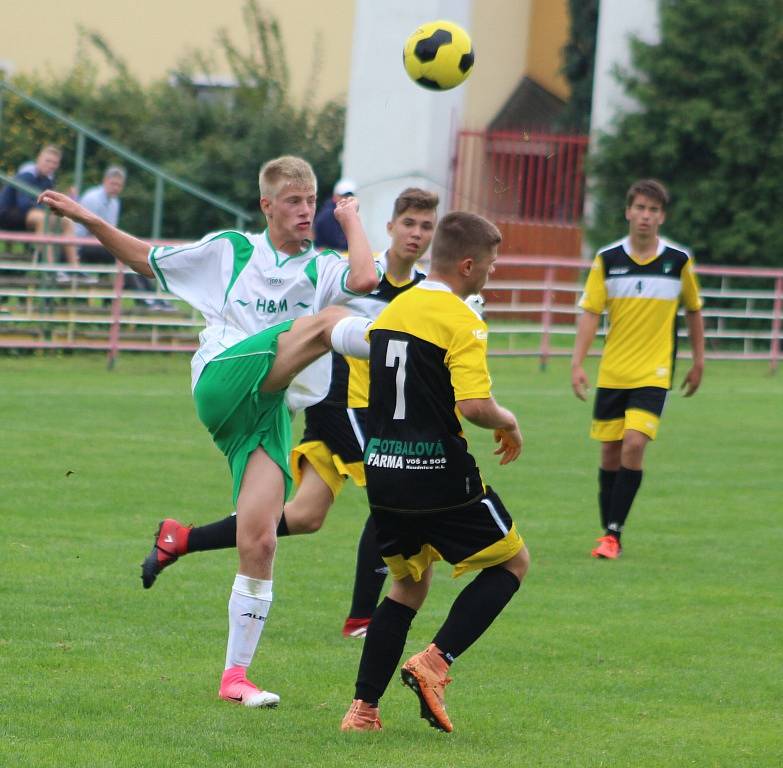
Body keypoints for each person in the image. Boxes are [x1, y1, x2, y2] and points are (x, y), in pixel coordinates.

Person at [38, 155, 379, 709]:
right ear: (267, 206)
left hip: (266, 409)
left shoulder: (322, 266)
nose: (303, 210)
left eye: (309, 200)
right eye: (292, 201)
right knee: (321, 326)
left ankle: (234, 677)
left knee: (261, 536)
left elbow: (365, 277)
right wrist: (89, 219)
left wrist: (351, 218)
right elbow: (145, 259)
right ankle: (408, 351)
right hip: (222, 380)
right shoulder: (232, 249)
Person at [139, 187, 441, 640]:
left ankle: (181, 538)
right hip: (340, 403)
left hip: (377, 414)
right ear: (391, 228)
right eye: (409, 224)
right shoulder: (360, 270)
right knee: (397, 487)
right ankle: (362, 617)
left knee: (303, 516)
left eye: (426, 227)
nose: (416, 234)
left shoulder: (426, 292)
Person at [340, 211, 530, 734]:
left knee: (408, 586)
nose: (491, 273)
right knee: (513, 564)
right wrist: (509, 421)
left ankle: (363, 710)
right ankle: (436, 661)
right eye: (490, 264)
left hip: (383, 471)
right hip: (437, 472)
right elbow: (473, 405)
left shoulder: (395, 310)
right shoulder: (462, 320)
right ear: (468, 265)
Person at [570, 178, 705, 559]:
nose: (646, 216)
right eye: (640, 208)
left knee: (633, 444)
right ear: (629, 211)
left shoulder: (678, 262)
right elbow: (591, 313)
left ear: (662, 217)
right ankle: (608, 533)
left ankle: (613, 533)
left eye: (653, 210)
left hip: (654, 373)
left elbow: (694, 310)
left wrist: (698, 361)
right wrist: (577, 363)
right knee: (610, 454)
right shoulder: (607, 260)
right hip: (613, 373)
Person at [75, 166, 168, 307]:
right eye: (113, 184)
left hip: (100, 245)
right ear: (105, 181)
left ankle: (152, 297)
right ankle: (145, 299)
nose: (116, 188)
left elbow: (109, 230)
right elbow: (85, 230)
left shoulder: (114, 202)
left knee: (131, 253)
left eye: (119, 185)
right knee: (124, 253)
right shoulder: (92, 198)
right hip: (82, 245)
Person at [0, 145, 80, 271]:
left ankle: (76, 269)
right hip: (7, 214)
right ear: (38, 159)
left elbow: (46, 204)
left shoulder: (48, 181)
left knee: (66, 221)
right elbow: (24, 205)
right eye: (48, 161)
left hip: (27, 216)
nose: (51, 165)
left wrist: (67, 200)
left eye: (55, 163)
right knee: (43, 218)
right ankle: (51, 269)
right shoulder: (27, 175)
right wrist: (49, 208)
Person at [313, 178, 356, 250]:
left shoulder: (345, 214)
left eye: (350, 196)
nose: (347, 199)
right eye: (344, 196)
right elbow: (337, 244)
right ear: (335, 196)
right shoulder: (327, 216)